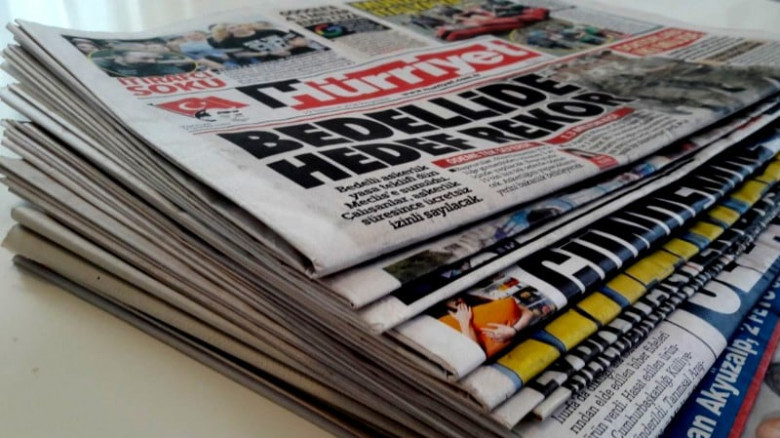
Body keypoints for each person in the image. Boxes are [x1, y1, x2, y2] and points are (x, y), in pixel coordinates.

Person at [93, 50, 195, 77]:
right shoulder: (100, 63)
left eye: (155, 58)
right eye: (145, 58)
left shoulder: (157, 66)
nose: (152, 61)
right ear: (119, 56)